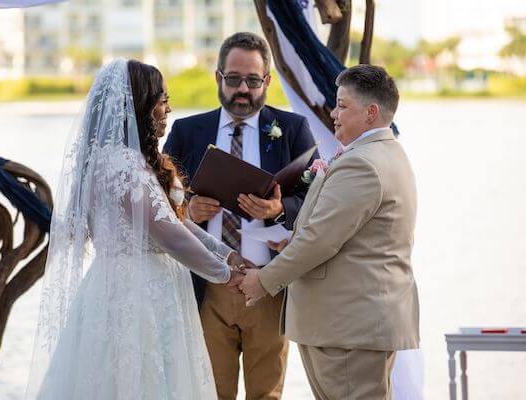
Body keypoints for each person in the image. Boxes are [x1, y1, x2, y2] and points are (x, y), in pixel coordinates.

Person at [25, 59, 249, 400]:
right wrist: (223, 273)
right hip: (134, 293)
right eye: (162, 100)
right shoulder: (120, 165)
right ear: (140, 104)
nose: (168, 108)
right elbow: (168, 235)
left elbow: (177, 222)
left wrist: (227, 253)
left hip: (143, 285)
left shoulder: (124, 160)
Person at [240, 64, 420, 399]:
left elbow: (320, 241)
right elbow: (339, 233)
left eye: (342, 105)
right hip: (352, 325)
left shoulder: (362, 163)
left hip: (349, 329)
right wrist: (291, 239)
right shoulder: (386, 153)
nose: (333, 113)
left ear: (370, 113)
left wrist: (264, 280)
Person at [163, 32, 318, 400]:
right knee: (209, 393)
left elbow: (317, 200)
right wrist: (188, 208)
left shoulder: (293, 129)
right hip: (206, 287)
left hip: (269, 286)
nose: (243, 89)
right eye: (234, 79)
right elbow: (159, 200)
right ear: (218, 78)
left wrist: (280, 209)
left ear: (267, 81)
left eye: (253, 80)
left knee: (267, 395)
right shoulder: (187, 131)